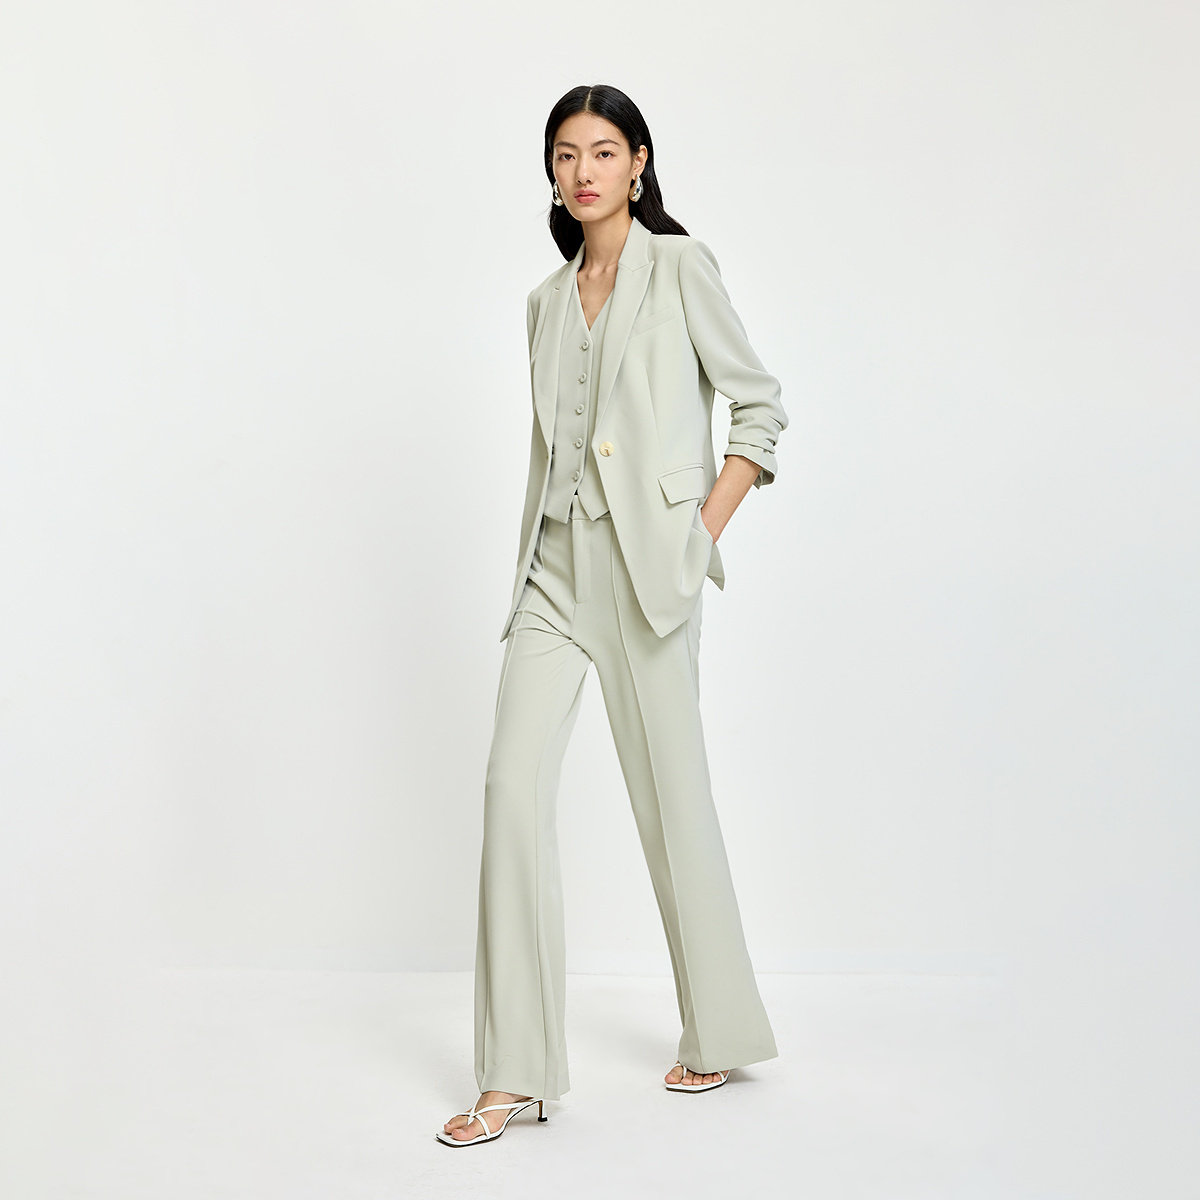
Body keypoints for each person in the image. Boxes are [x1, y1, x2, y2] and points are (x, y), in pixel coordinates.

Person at [438, 84, 788, 1146]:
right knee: (510, 789)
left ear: (639, 163)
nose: (582, 170)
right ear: (551, 174)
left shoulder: (681, 268)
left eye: (602, 151)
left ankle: (719, 1028)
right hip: (552, 572)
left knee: (672, 805)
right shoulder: (544, 303)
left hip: (647, 574)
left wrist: (697, 536)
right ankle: (516, 1073)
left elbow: (759, 406)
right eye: (565, 154)